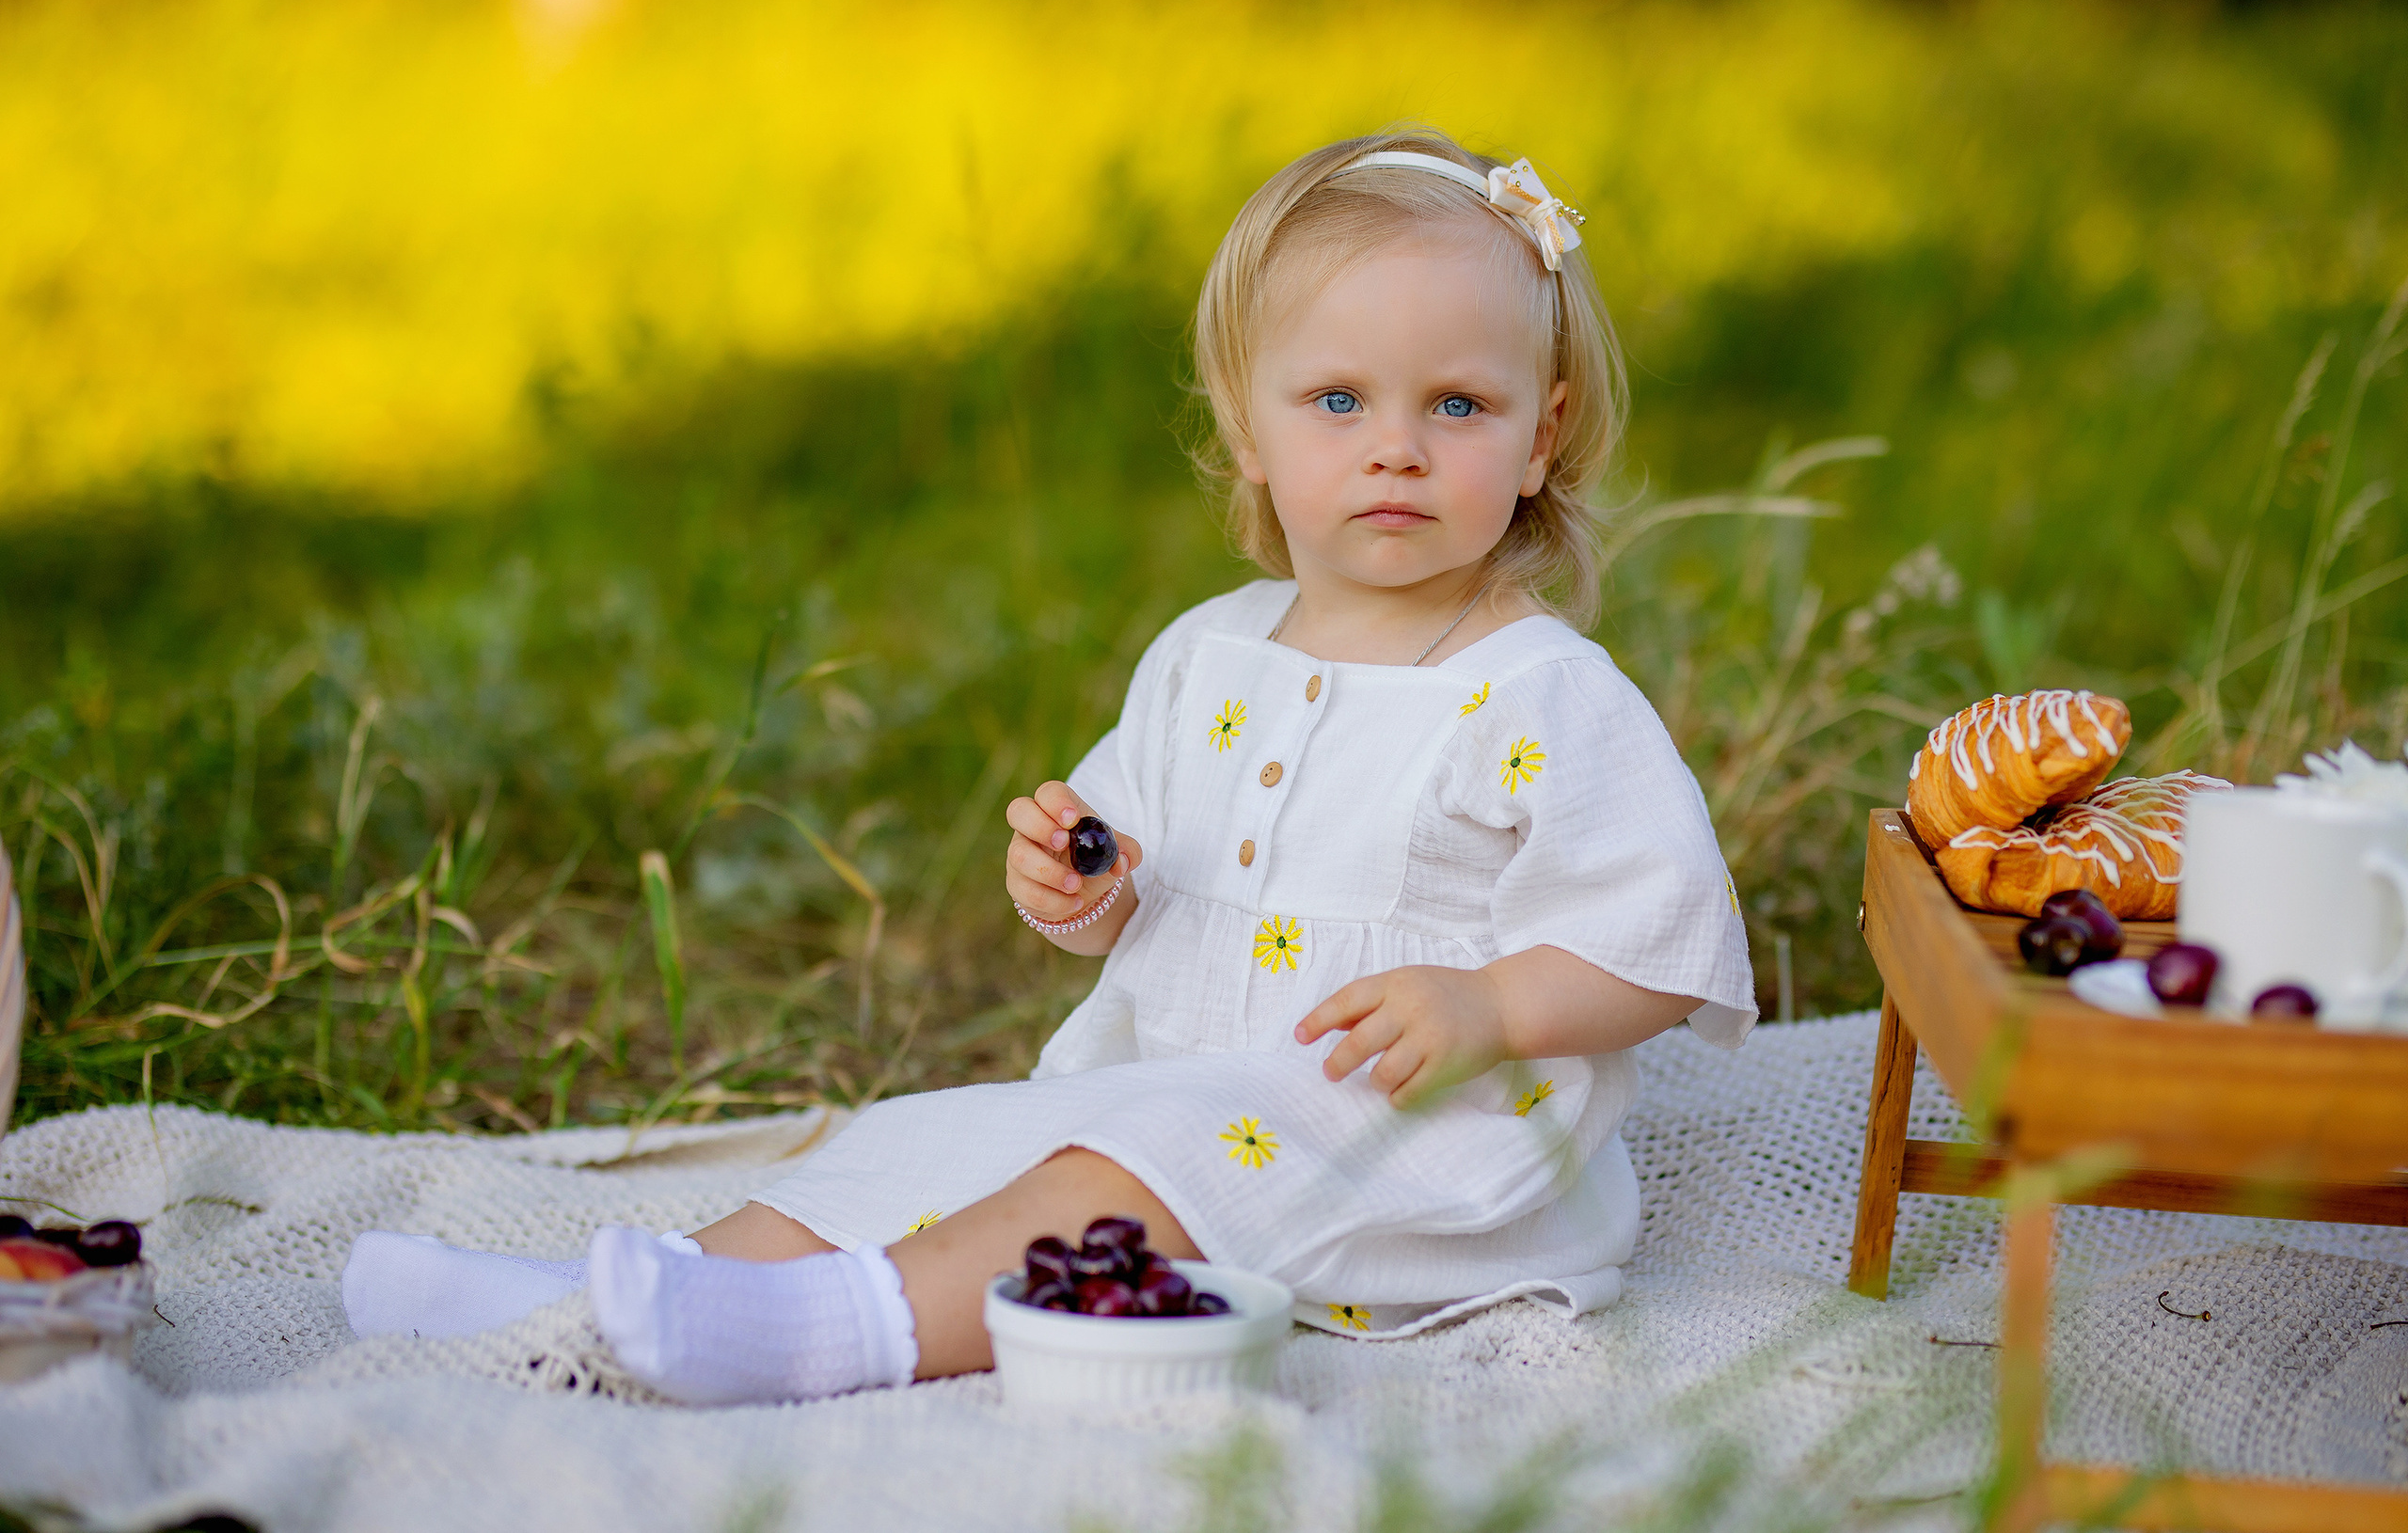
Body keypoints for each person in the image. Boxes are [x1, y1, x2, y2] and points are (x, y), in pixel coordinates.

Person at [341, 127, 1755, 1403]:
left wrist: (1495, 1001)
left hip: (1414, 1159)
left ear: (1541, 434)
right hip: (1175, 1101)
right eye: (1336, 402)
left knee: (1109, 1175)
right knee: (937, 1140)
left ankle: (823, 1334)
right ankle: (605, 1297)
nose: (1394, 448)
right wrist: (1084, 889)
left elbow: (1659, 941)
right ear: (1245, 427)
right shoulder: (1210, 657)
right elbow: (1135, 880)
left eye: (1457, 406)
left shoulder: (1543, 692)